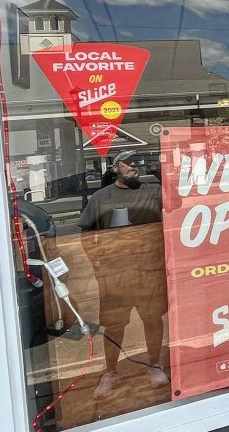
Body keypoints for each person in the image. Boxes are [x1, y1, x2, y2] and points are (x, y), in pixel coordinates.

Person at [78, 150, 168, 398]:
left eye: (136, 162)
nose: (133, 166)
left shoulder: (153, 191)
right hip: (115, 274)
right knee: (115, 324)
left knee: (152, 319)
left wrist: (156, 170)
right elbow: (86, 233)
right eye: (127, 162)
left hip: (148, 271)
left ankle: (154, 364)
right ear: (114, 167)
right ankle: (110, 372)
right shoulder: (100, 197)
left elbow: (180, 200)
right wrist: (97, 263)